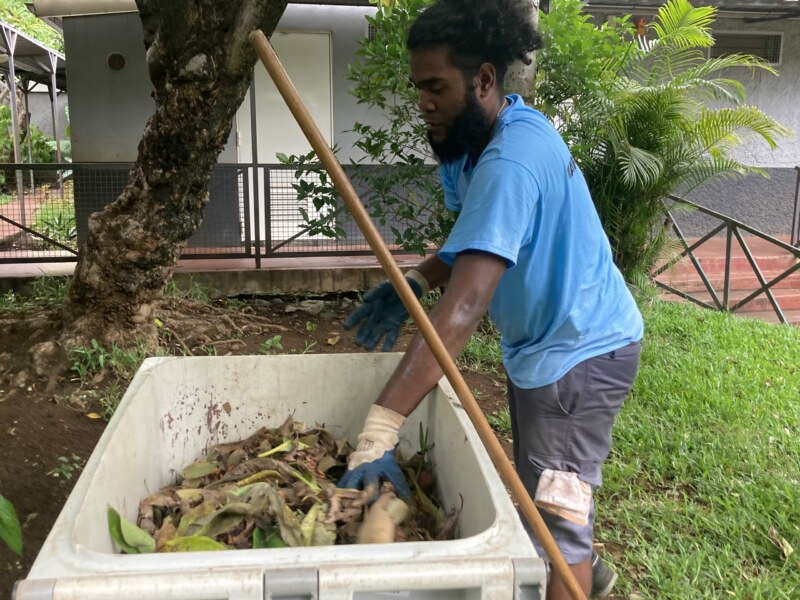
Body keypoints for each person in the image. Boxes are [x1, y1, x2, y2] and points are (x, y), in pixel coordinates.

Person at [338, 1, 644, 598]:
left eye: (436, 87)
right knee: (550, 489)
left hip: (581, 354)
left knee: (559, 518)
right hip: (542, 351)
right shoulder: (470, 143)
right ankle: (586, 568)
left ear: (482, 79)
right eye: (417, 88)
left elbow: (466, 306)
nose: (422, 102)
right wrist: (418, 283)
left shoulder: (512, 159)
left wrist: (380, 428)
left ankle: (575, 571)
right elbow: (470, 242)